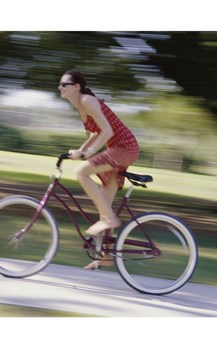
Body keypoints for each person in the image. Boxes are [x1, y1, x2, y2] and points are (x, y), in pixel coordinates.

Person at [58, 70, 139, 269]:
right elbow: (95, 134)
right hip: (119, 149)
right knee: (104, 203)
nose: (60, 87)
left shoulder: (87, 101)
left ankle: (110, 220)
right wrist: (80, 151)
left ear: (76, 86)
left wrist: (88, 154)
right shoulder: (81, 107)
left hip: (125, 148)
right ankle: (105, 257)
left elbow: (108, 131)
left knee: (81, 172)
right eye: (59, 84)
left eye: (64, 84)